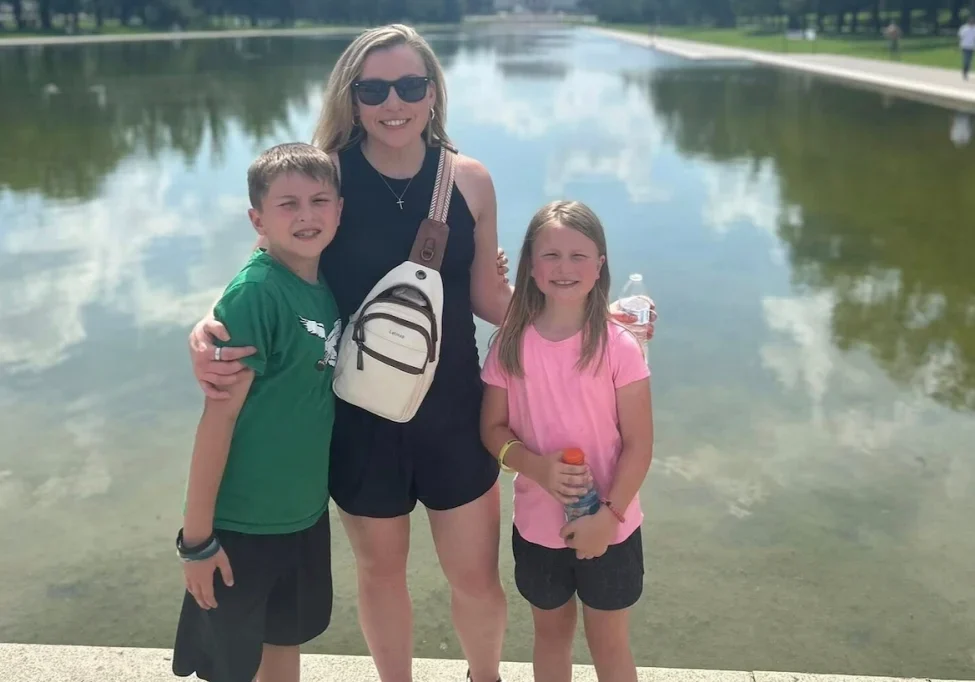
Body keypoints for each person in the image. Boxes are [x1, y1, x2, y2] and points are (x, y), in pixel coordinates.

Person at [188, 24, 512, 682]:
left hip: (453, 413)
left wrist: (588, 318)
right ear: (351, 96)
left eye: (409, 85)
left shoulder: (468, 179)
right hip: (357, 417)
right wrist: (205, 325)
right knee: (380, 574)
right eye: (373, 88)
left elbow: (488, 298)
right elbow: (268, 265)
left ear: (432, 93)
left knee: (476, 579)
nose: (393, 102)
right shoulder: (325, 176)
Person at [172, 142, 344, 682]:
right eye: (287, 204)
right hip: (242, 526)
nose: (307, 215)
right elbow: (216, 422)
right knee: (230, 666)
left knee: (284, 641)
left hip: (303, 515)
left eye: (320, 200)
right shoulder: (256, 296)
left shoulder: (320, 282)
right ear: (257, 219)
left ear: (340, 208)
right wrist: (197, 541)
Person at [480, 200, 654, 682]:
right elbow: (492, 430)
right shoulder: (509, 343)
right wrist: (536, 467)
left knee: (609, 643)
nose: (564, 267)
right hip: (538, 528)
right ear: (530, 267)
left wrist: (610, 516)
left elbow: (640, 445)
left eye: (579, 255)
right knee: (551, 636)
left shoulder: (620, 346)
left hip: (612, 527)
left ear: (600, 266)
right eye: (550, 255)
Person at [960, 16, 975, 81]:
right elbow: (960, 36)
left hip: (971, 47)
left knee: (969, 61)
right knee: (966, 60)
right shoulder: (964, 28)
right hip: (965, 46)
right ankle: (965, 72)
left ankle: (966, 71)